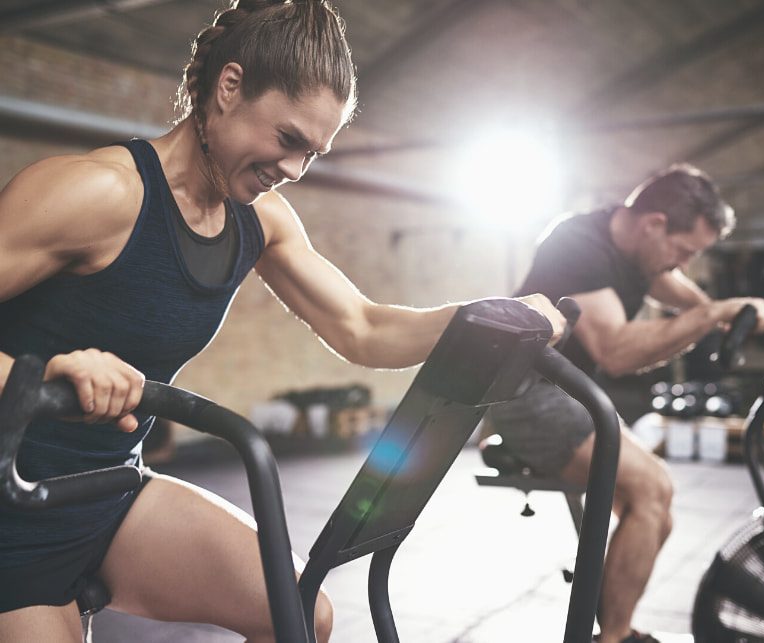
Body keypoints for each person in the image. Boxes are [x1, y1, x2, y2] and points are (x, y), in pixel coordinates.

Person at [0, 2, 566, 641]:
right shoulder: (95, 193)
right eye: (288, 139)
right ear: (229, 87)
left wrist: (493, 315)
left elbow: (362, 327)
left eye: (313, 153)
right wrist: (42, 372)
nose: (294, 169)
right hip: (8, 500)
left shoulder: (257, 222)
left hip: (105, 487)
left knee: (301, 614)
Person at [488, 164, 764, 643]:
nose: (680, 264)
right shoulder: (579, 243)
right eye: (683, 252)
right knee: (650, 491)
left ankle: (611, 619)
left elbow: (668, 282)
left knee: (658, 506)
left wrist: (723, 314)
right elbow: (616, 353)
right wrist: (709, 316)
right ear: (654, 224)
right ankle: (613, 637)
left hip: (569, 390)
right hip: (526, 393)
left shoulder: (633, 248)